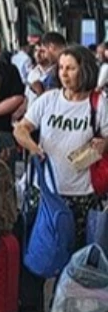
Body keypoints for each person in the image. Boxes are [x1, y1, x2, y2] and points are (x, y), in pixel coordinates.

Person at [14, 45, 108, 247]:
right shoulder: (49, 99)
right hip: (45, 191)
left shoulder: (98, 103)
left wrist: (102, 144)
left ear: (85, 70)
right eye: (61, 68)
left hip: (81, 194)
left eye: (70, 68)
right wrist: (33, 146)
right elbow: (21, 129)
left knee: (76, 252)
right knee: (43, 250)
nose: (64, 74)